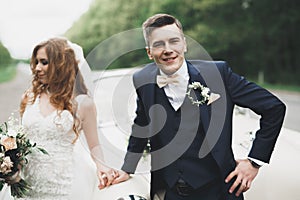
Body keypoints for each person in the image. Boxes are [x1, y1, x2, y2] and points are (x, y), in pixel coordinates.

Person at [112, 14, 286, 200]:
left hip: (220, 190)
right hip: (172, 193)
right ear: (149, 52)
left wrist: (254, 162)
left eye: (174, 41)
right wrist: (127, 169)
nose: (168, 50)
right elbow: (141, 126)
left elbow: (274, 108)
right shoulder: (142, 79)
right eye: (159, 44)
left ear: (184, 44)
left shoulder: (218, 73)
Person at [16, 37, 118, 199]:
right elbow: (21, 140)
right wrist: (11, 165)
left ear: (61, 64)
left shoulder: (83, 104)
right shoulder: (29, 98)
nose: (37, 68)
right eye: (36, 62)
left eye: (44, 62)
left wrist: (102, 166)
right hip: (28, 182)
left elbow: (95, 145)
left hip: (64, 184)